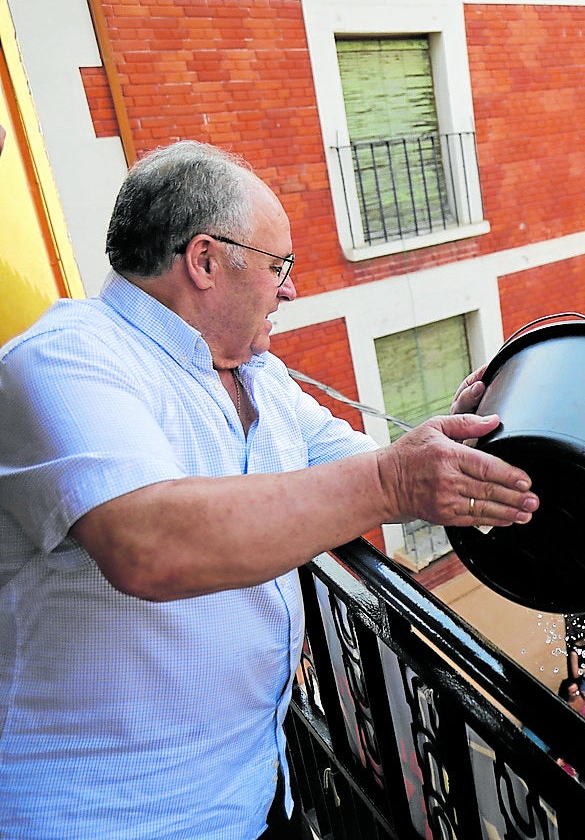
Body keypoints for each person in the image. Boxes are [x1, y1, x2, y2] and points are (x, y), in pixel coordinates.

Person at [0, 141, 540, 838]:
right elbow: (147, 544)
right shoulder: (66, 357)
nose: (290, 289)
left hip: (257, 791)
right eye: (278, 266)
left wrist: (465, 446)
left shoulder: (263, 378)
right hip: (106, 819)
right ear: (204, 260)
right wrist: (392, 478)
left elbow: (359, 469)